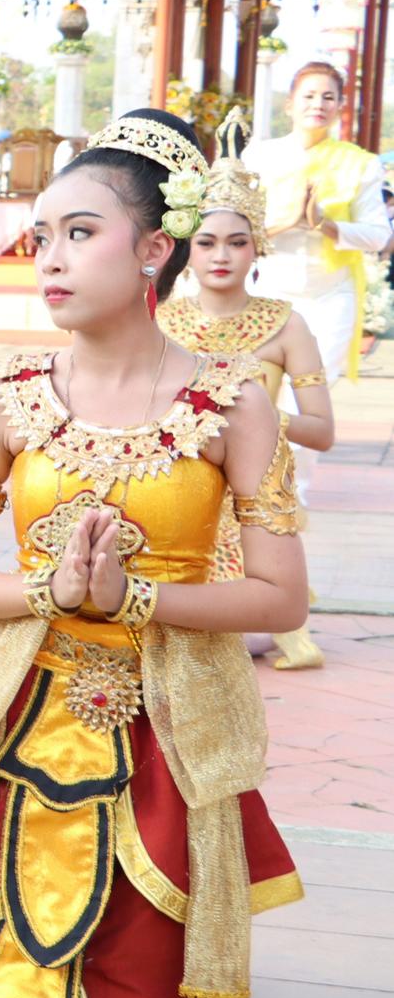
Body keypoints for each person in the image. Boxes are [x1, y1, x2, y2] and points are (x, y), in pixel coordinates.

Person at [0, 107, 306, 998]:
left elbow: (281, 593)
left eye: (79, 232)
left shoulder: (233, 402)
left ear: (153, 247)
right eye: (43, 234)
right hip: (23, 700)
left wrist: (134, 596)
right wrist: (49, 589)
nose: (46, 256)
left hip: (165, 722)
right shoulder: (8, 393)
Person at [158, 113, 332, 671]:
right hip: (178, 494)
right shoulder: (161, 322)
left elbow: (323, 432)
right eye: (206, 241)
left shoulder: (286, 325)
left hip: (255, 499)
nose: (221, 255)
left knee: (249, 636)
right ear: (188, 250)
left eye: (237, 241)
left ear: (257, 247)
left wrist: (247, 416)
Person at [247, 61, 389, 382]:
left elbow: (379, 236)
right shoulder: (259, 158)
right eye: (308, 96)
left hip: (331, 295)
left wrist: (323, 223)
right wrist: (287, 220)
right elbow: (233, 230)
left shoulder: (360, 164)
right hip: (269, 289)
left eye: (328, 97)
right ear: (290, 104)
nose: (318, 104)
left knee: (311, 393)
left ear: (339, 106)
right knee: (264, 392)